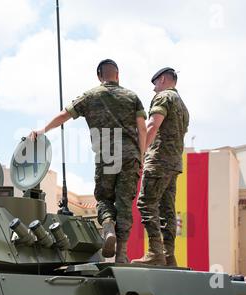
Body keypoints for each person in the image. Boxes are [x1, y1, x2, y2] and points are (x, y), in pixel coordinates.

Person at [29, 59, 147, 263]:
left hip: (106, 155)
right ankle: (122, 254)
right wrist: (142, 155)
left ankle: (108, 225)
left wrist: (43, 130)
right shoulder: (132, 97)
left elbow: (64, 115)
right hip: (130, 155)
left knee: (104, 200)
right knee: (125, 203)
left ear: (100, 76)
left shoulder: (91, 96)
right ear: (117, 75)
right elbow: (142, 128)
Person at [131, 67, 189, 266]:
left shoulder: (163, 97)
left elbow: (152, 125)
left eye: (155, 84)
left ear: (162, 80)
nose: (154, 89)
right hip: (174, 163)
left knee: (146, 204)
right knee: (167, 210)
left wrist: (140, 153)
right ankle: (168, 255)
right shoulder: (182, 105)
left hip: (158, 160)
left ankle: (155, 253)